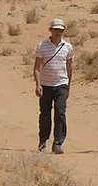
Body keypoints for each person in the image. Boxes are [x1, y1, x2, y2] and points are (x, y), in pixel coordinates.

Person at [31, 19, 74, 153]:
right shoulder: (42, 45)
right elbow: (37, 67)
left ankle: (58, 143)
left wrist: (68, 86)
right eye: (56, 29)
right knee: (45, 114)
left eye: (60, 30)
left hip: (61, 84)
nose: (58, 32)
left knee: (60, 113)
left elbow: (69, 67)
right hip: (46, 85)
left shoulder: (68, 47)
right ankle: (43, 142)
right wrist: (38, 85)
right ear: (50, 30)